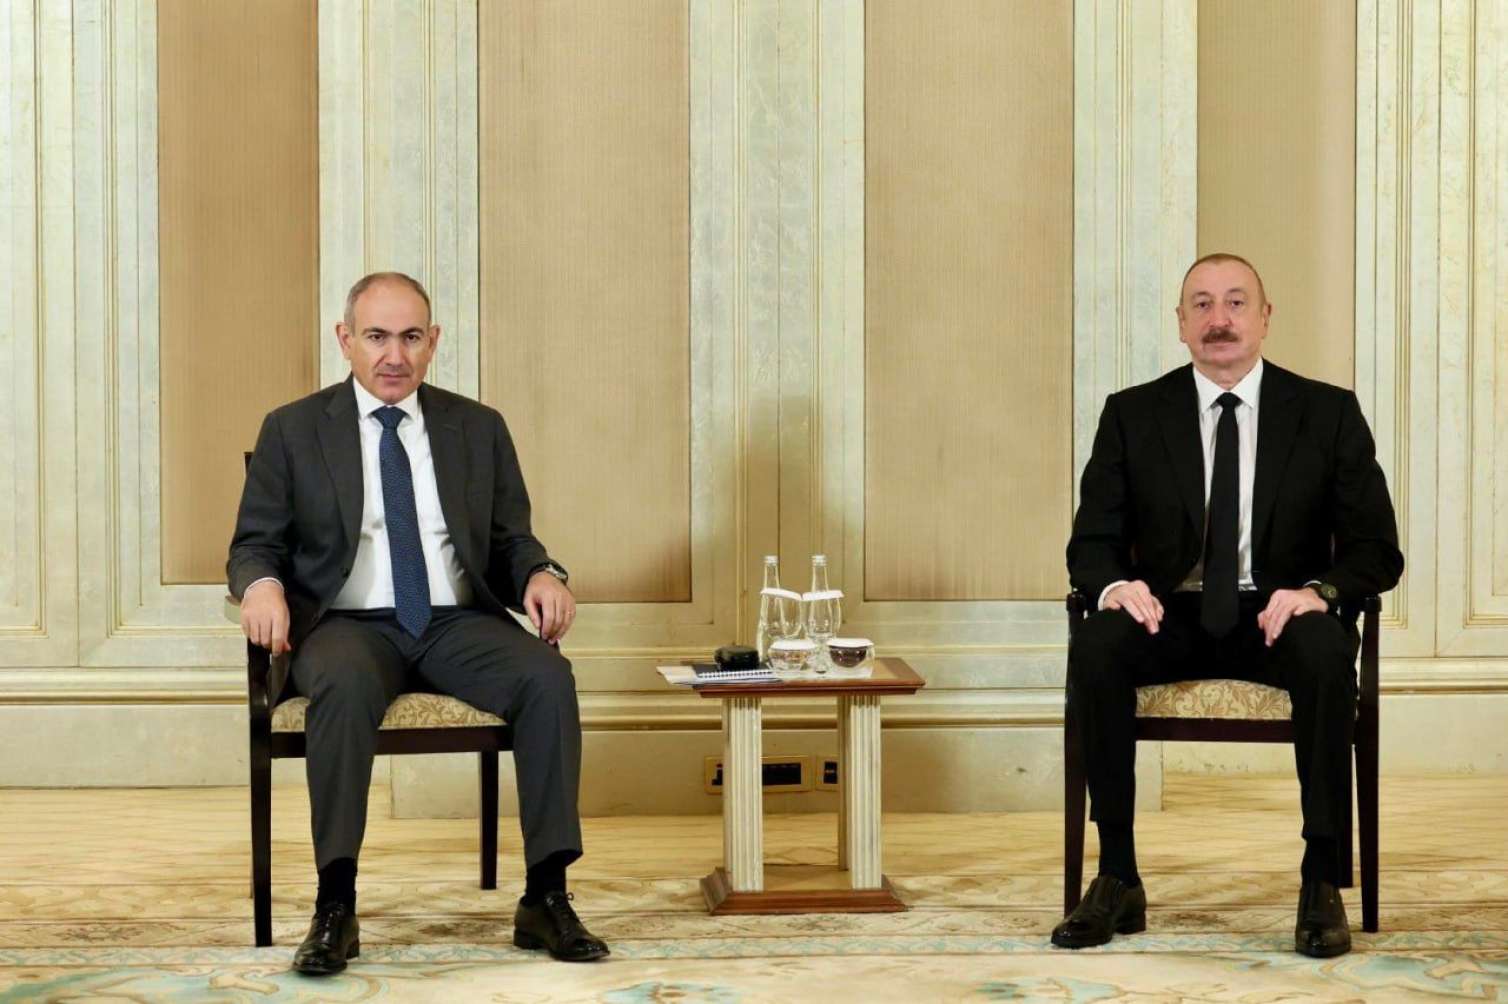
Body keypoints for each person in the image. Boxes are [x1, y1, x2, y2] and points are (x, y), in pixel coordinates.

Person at [228, 272, 608, 973]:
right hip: (346, 624)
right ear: (345, 340)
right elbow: (254, 544)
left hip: (453, 622)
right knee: (343, 686)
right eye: (376, 336)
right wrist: (262, 587)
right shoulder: (293, 429)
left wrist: (540, 573)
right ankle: (335, 906)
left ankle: (546, 896)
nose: (393, 355)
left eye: (410, 337)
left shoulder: (478, 427)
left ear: (433, 342)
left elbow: (511, 539)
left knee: (547, 678)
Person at [1055, 252, 1403, 958]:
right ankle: (1117, 876)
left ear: (1265, 318)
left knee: (1326, 652)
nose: (1220, 319)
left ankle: (1321, 878)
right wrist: (1116, 587)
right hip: (1169, 613)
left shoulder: (1328, 412)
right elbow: (1091, 543)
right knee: (1097, 644)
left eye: (1237, 303)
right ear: (1181, 323)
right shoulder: (1132, 414)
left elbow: (1376, 550)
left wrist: (1318, 594)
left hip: (1278, 613)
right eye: (1203, 304)